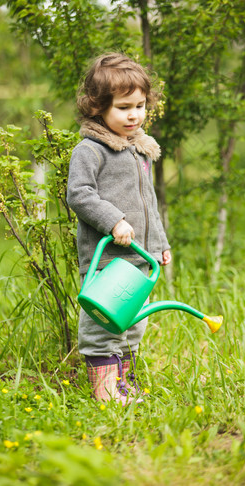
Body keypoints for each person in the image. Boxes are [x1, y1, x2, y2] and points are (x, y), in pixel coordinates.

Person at [67, 53, 171, 405]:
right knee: (103, 325)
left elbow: (149, 204)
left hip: (139, 257)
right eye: (124, 107)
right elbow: (79, 195)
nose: (134, 115)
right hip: (107, 258)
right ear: (98, 108)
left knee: (132, 323)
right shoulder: (90, 150)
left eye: (140, 106)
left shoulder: (139, 150)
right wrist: (113, 220)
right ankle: (106, 391)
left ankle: (124, 387)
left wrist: (159, 245)